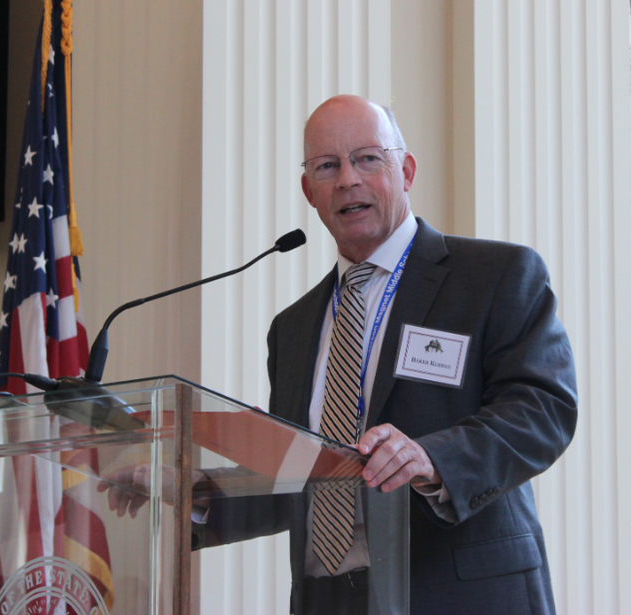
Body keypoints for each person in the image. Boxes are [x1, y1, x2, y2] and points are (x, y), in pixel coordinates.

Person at [103, 95, 577, 615]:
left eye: (368, 158)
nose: (348, 178)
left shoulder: (493, 276)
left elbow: (543, 410)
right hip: (328, 600)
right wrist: (193, 490)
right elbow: (295, 472)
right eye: (327, 166)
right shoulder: (293, 328)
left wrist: (433, 458)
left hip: (460, 593)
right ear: (310, 192)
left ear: (407, 170)